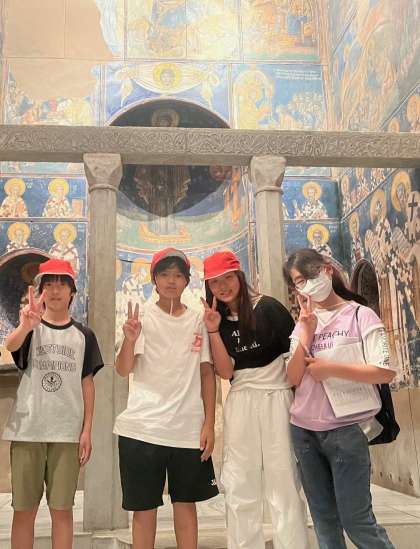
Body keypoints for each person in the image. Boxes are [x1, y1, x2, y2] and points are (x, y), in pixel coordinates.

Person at [283, 248, 396, 549]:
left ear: (327, 270)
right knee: (324, 521)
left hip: (347, 431)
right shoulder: (304, 321)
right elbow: (293, 377)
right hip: (304, 432)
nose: (306, 284)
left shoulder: (361, 315)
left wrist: (330, 368)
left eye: (309, 275)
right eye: (298, 281)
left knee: (356, 520)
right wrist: (306, 333)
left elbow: (385, 372)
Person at [202, 250, 309, 549]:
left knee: (284, 483)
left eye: (227, 278)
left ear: (239, 275)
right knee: (240, 483)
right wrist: (213, 330)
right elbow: (226, 372)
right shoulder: (216, 318)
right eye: (214, 282)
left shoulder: (269, 308)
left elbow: (294, 364)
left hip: (278, 398)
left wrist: (300, 409)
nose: (222, 286)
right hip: (241, 401)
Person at [113, 247, 218, 549]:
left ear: (186, 281)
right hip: (143, 428)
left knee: (186, 506)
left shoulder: (198, 320)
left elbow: (207, 373)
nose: (171, 281)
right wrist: (129, 341)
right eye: (164, 274)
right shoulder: (141, 317)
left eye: (178, 275)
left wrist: (209, 424)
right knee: (144, 510)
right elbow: (123, 369)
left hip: (187, 429)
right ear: (154, 279)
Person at [2, 258, 104, 549]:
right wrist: (25, 326)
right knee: (24, 511)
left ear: (72, 291)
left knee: (62, 511)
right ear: (41, 291)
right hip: (28, 432)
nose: (56, 290)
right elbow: (10, 345)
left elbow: (87, 384)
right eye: (49, 284)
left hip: (67, 434)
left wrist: (87, 430)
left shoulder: (84, 335)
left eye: (62, 284)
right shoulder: (30, 327)